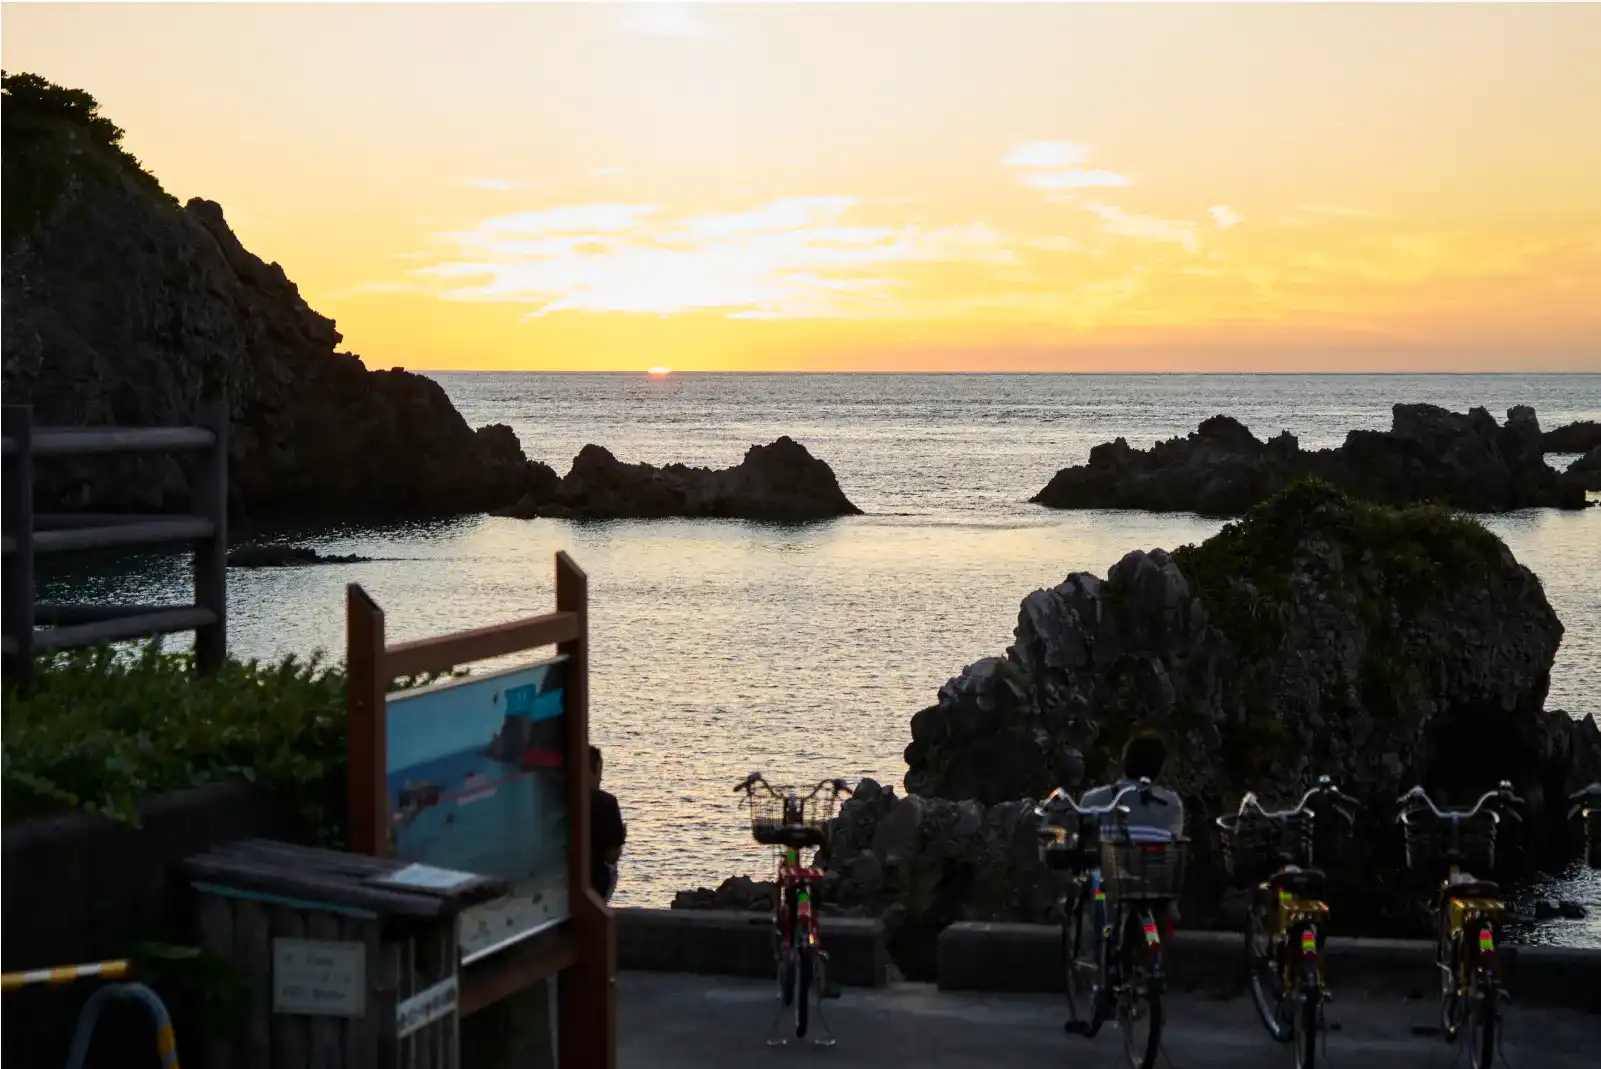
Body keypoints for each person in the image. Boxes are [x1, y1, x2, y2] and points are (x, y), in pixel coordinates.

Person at [590, 746, 626, 904]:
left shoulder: (557, 797)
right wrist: (620, 839)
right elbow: (612, 855)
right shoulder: (606, 803)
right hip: (594, 883)